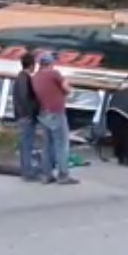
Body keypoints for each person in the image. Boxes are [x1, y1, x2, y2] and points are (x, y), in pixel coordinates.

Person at [31, 53, 80, 185]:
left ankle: (47, 175)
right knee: (62, 144)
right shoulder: (54, 74)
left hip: (43, 113)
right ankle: (63, 175)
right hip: (56, 112)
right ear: (51, 63)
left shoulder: (35, 77)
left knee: (47, 146)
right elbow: (67, 89)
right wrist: (69, 86)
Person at [12, 54, 40, 181]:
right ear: (32, 65)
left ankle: (26, 170)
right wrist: (31, 112)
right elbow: (25, 98)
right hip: (25, 116)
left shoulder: (20, 77)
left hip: (21, 115)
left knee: (26, 144)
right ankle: (27, 171)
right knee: (27, 144)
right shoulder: (25, 78)